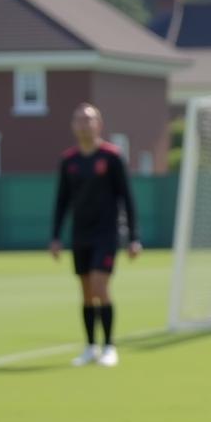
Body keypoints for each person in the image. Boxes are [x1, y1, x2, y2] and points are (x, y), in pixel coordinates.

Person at [50, 103, 140, 366]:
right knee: (87, 291)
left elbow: (127, 198)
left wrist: (134, 237)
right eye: (79, 119)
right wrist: (55, 236)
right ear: (73, 126)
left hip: (107, 234)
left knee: (101, 285)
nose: (84, 124)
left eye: (89, 119)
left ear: (99, 124)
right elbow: (61, 200)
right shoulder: (69, 160)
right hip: (81, 235)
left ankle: (109, 347)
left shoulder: (112, 156)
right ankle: (90, 347)